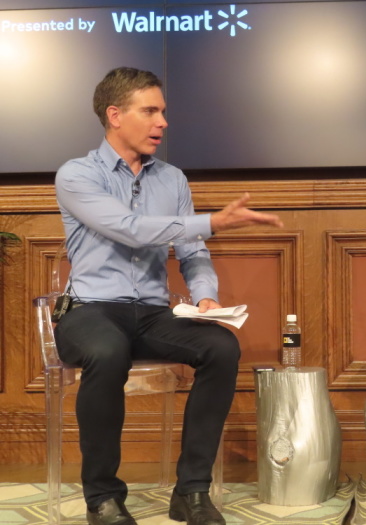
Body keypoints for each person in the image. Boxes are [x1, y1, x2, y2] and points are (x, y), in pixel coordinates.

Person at [54, 67, 283, 525]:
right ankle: (103, 496)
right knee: (107, 349)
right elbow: (131, 230)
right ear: (115, 115)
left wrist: (205, 298)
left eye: (163, 111)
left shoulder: (172, 179)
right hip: (90, 312)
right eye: (151, 111)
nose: (163, 122)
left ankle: (192, 492)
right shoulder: (77, 175)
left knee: (220, 346)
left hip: (154, 313)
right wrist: (213, 221)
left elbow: (192, 252)